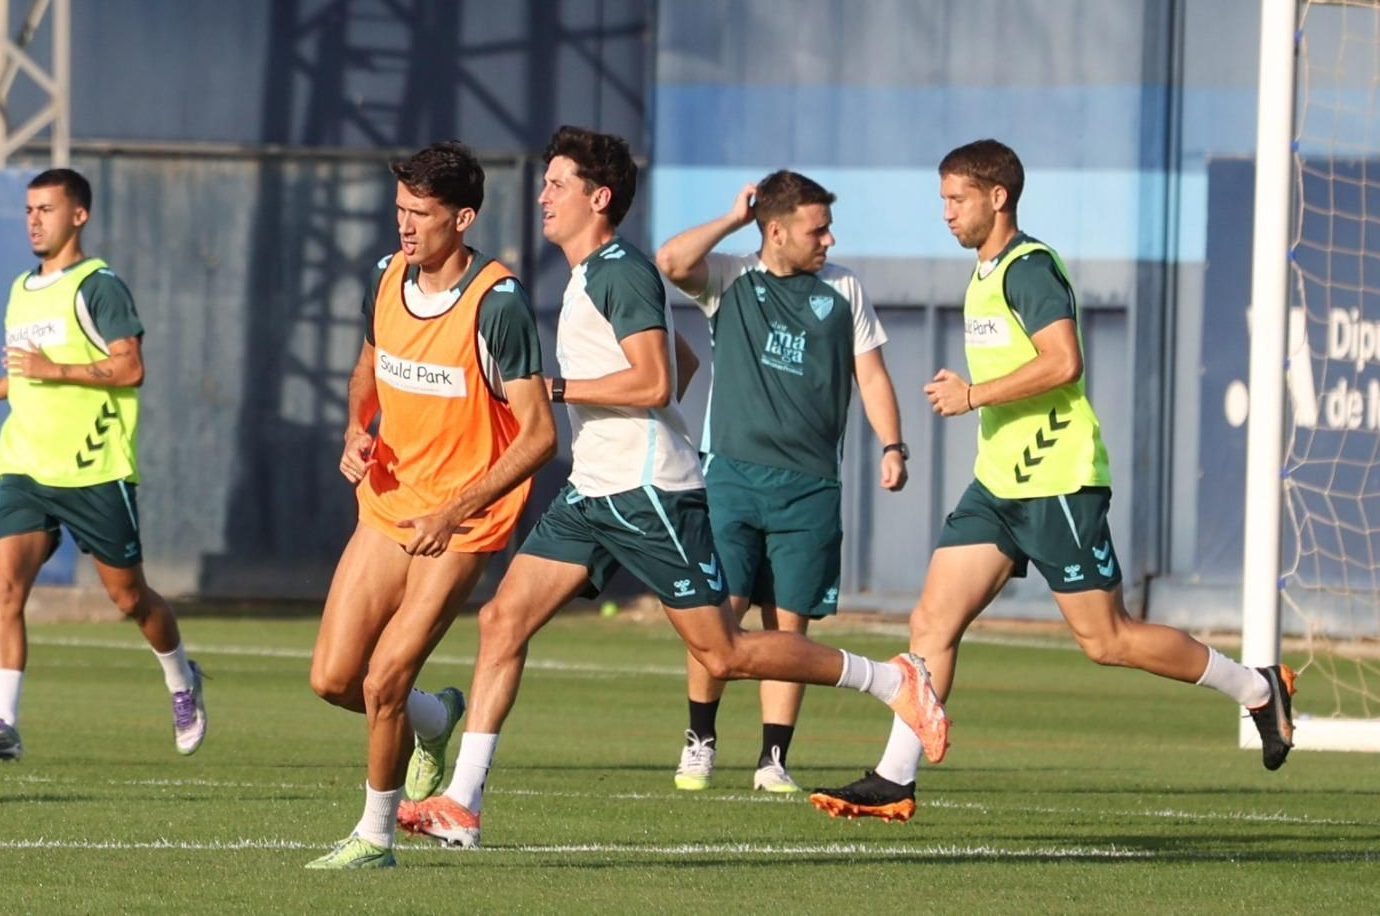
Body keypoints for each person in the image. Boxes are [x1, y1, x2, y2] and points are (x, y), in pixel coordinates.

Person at [398, 126, 949, 850]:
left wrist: (558, 387)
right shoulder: (592, 271)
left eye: (557, 183)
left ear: (599, 198)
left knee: (725, 654)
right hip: (595, 488)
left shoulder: (618, 269)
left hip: (648, 492)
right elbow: (678, 363)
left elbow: (656, 381)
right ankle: (462, 804)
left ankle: (892, 679)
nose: (543, 195)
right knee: (503, 621)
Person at [810, 139, 1297, 823]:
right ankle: (896, 776)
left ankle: (1256, 686)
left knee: (1107, 640)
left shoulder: (1029, 268)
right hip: (999, 485)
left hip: (1057, 480)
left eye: (957, 199)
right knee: (931, 622)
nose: (945, 213)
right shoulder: (984, 272)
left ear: (997, 197)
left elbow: (1063, 361)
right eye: (942, 200)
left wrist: (976, 395)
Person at [303, 141, 556, 870]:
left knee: (383, 680)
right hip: (389, 503)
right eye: (399, 211)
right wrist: (356, 430)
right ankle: (435, 717)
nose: (405, 227)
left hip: (464, 521)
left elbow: (539, 434)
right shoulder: (387, 277)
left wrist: (456, 509)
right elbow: (367, 373)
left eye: (420, 213)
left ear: (463, 217)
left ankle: (375, 838)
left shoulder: (497, 303)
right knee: (332, 680)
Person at [0, 168, 206, 761]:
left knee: (130, 600)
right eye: (28, 209)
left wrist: (53, 370)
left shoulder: (98, 285)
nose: (34, 219)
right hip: (26, 464)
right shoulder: (19, 288)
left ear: (78, 215)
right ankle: (4, 723)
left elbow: (129, 369)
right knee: (5, 590)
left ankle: (182, 679)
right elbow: (26, 373)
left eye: (46, 209)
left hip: (93, 468)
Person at [655, 170, 908, 793]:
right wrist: (733, 218)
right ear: (774, 230)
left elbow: (871, 377)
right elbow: (670, 260)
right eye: (815, 228)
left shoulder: (844, 288)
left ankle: (773, 760)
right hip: (732, 477)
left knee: (787, 628)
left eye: (827, 227)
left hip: (810, 486)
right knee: (718, 617)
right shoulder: (732, 278)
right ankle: (700, 739)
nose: (827, 238)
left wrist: (894, 445)